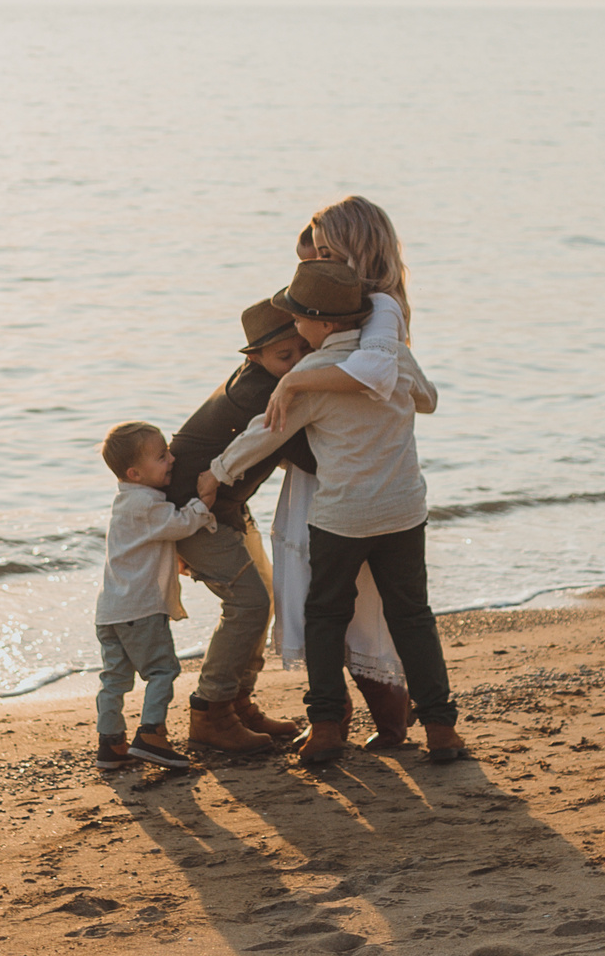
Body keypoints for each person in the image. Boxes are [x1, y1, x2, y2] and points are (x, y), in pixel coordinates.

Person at [201, 258, 469, 768]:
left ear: (324, 325)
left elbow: (266, 432)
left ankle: (325, 728)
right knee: (412, 616)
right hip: (403, 511)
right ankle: (441, 729)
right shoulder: (391, 361)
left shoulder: (311, 376)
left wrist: (217, 471)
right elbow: (429, 401)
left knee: (324, 616)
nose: (296, 329)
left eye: (299, 319)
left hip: (342, 518)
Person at [261, 198, 418, 745]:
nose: (318, 265)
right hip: (333, 461)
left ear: (360, 249)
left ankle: (380, 713)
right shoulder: (351, 303)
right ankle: (338, 714)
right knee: (326, 594)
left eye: (329, 253)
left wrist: (294, 383)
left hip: (349, 472)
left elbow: (378, 371)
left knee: (347, 599)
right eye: (313, 256)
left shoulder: (378, 307)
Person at [161, 300, 314, 754]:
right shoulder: (262, 393)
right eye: (285, 356)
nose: (299, 362)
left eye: (305, 349)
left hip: (225, 507)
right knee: (249, 602)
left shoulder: (276, 380)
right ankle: (211, 711)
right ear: (254, 359)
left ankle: (239, 701)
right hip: (193, 510)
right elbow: (308, 455)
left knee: (262, 596)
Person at [92, 421, 210, 771]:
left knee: (114, 679)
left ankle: (110, 743)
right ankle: (152, 735)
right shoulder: (146, 504)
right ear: (136, 473)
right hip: (140, 610)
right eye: (162, 456)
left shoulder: (126, 502)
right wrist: (203, 505)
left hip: (110, 612)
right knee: (162, 670)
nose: (172, 459)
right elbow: (181, 524)